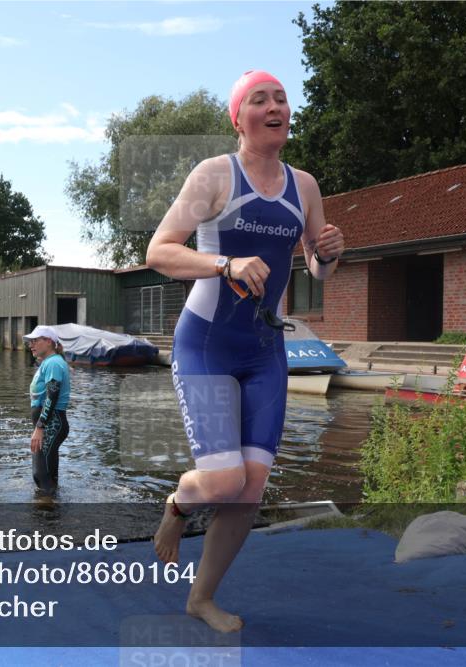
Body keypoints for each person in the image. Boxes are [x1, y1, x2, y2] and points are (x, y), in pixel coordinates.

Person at [145, 70, 345, 633]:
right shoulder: (214, 175)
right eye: (260, 99)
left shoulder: (304, 185)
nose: (275, 105)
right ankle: (178, 508)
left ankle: (201, 598)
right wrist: (224, 264)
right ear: (239, 117)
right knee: (222, 483)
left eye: (280, 98)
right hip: (207, 342)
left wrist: (327, 253)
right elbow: (159, 250)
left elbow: (316, 268)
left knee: (251, 486)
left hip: (265, 350)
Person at [23, 325, 71, 494]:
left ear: (49, 341)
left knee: (41, 475)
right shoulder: (48, 363)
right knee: (46, 477)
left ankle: (48, 514)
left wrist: (40, 427)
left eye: (35, 340)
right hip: (48, 425)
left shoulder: (54, 363)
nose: (31, 345)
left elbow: (53, 395)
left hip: (52, 424)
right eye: (30, 341)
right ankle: (52, 513)